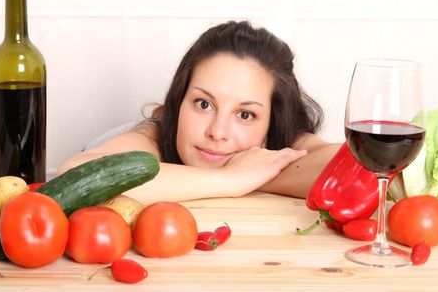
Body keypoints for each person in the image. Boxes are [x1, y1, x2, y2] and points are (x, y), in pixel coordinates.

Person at [57, 21, 340, 204]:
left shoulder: (276, 141)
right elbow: (72, 177)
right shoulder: (153, 133)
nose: (217, 132)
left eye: (245, 115)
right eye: (204, 104)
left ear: (272, 122)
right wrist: (234, 178)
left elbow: (365, 167)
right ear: (179, 102)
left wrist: (259, 170)